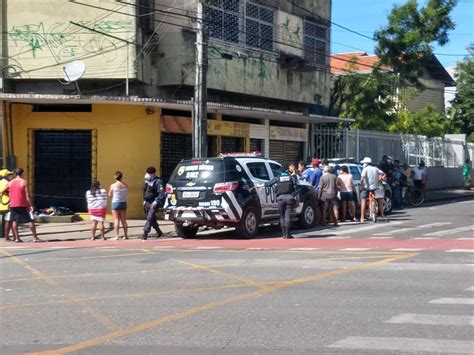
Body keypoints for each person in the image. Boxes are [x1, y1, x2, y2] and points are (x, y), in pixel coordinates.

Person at [263, 166, 299, 239]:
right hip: (289, 198)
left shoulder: (278, 177)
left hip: (280, 198)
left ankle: (283, 234)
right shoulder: (291, 177)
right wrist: (294, 175)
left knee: (282, 216)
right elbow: (296, 186)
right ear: (287, 170)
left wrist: (258, 185)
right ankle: (288, 234)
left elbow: (268, 184)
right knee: (287, 216)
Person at [8, 168, 41, 243]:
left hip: (13, 204)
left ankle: (16, 238)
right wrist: (31, 205)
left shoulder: (10, 182)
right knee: (30, 220)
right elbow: (27, 195)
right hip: (22, 204)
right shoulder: (23, 182)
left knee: (14, 221)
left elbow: (5, 191)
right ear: (22, 173)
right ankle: (35, 237)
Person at [142, 166, 166, 240]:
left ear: (152, 174)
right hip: (147, 202)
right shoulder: (147, 181)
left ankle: (145, 233)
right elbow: (144, 191)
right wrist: (144, 201)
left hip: (154, 202)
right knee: (151, 218)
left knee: (150, 217)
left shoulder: (158, 181)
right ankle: (159, 232)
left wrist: (156, 201)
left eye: (149, 173)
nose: (147, 175)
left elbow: (161, 193)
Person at [360, 157, 385, 222]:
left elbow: (362, 178)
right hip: (375, 188)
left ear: (366, 163)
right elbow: (383, 173)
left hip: (366, 188)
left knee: (363, 201)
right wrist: (381, 178)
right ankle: (374, 213)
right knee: (374, 199)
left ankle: (362, 217)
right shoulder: (376, 168)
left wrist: (362, 185)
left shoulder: (365, 169)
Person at [109, 171, 128, 240]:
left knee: (116, 219)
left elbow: (110, 194)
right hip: (123, 202)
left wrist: (111, 195)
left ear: (115, 177)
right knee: (123, 220)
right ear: (121, 177)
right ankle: (125, 235)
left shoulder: (113, 185)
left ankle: (116, 236)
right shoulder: (125, 185)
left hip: (115, 203)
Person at [0, 169, 14, 241]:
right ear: (5, 176)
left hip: (1, 204)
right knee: (9, 220)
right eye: (9, 174)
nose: (11, 176)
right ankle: (7, 236)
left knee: (2, 220)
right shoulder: (8, 183)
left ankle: (2, 235)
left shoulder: (0, 182)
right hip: (7, 204)